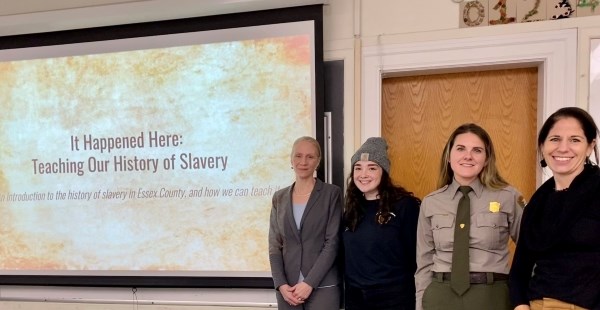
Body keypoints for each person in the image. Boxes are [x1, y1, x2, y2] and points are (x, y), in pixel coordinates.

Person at [415, 123, 524, 310]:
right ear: (449, 156)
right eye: (460, 149)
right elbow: (424, 261)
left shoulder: (508, 197)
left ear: (487, 158)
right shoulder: (431, 202)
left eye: (477, 150)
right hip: (440, 296)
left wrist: (523, 299)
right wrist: (420, 303)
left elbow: (529, 250)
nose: (468, 156)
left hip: (492, 296)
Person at [509, 107, 600, 310]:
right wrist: (520, 305)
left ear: (589, 146)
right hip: (536, 304)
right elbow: (520, 267)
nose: (563, 148)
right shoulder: (538, 201)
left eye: (575, 140)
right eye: (555, 139)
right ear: (543, 145)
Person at [343, 137, 421, 310]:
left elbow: (416, 256)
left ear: (384, 172)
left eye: (372, 168)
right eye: (358, 168)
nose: (363, 175)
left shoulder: (404, 206)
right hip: (355, 298)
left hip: (394, 298)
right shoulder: (351, 208)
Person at [268, 136, 343, 309]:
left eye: (310, 157)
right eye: (298, 156)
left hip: (323, 287)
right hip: (288, 290)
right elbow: (274, 245)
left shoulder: (331, 194)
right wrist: (280, 284)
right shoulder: (279, 198)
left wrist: (309, 282)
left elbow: (332, 243)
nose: (303, 161)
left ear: (318, 161)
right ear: (291, 160)